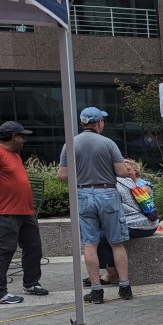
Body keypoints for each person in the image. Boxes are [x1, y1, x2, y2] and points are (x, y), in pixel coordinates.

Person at [58, 107, 132, 304]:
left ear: (83, 123)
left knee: (90, 244)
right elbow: (121, 172)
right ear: (99, 123)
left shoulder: (70, 144)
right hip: (107, 193)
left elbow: (62, 175)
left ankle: (96, 291)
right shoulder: (108, 143)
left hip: (82, 194)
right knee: (116, 243)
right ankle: (125, 288)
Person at [0, 121, 48, 304]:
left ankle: (31, 283)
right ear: (14, 136)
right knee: (3, 251)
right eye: (22, 136)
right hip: (5, 212)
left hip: (25, 211)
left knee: (33, 247)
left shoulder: (14, 155)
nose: (24, 140)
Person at [86, 159, 159, 287]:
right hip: (149, 222)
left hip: (138, 224)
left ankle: (112, 274)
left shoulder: (114, 184)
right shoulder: (128, 182)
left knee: (101, 238)